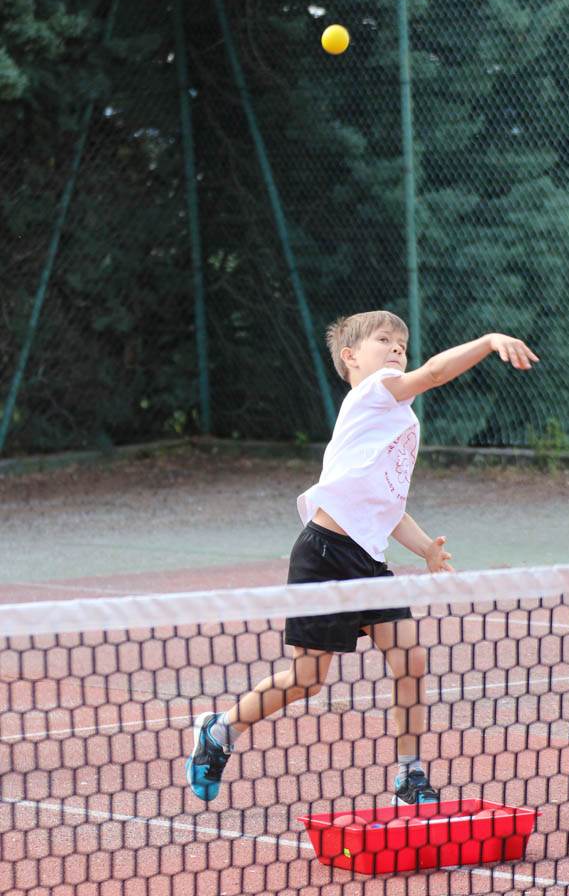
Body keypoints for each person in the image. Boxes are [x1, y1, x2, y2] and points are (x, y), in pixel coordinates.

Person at [186, 310, 539, 805]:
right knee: (307, 680)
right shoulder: (374, 393)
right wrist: (487, 340)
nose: (397, 349)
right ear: (351, 357)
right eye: (384, 340)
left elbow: (386, 504)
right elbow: (435, 373)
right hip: (324, 555)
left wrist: (426, 550)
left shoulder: (397, 418)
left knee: (410, 658)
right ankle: (220, 731)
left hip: (369, 564)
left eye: (402, 344)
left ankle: (409, 776)